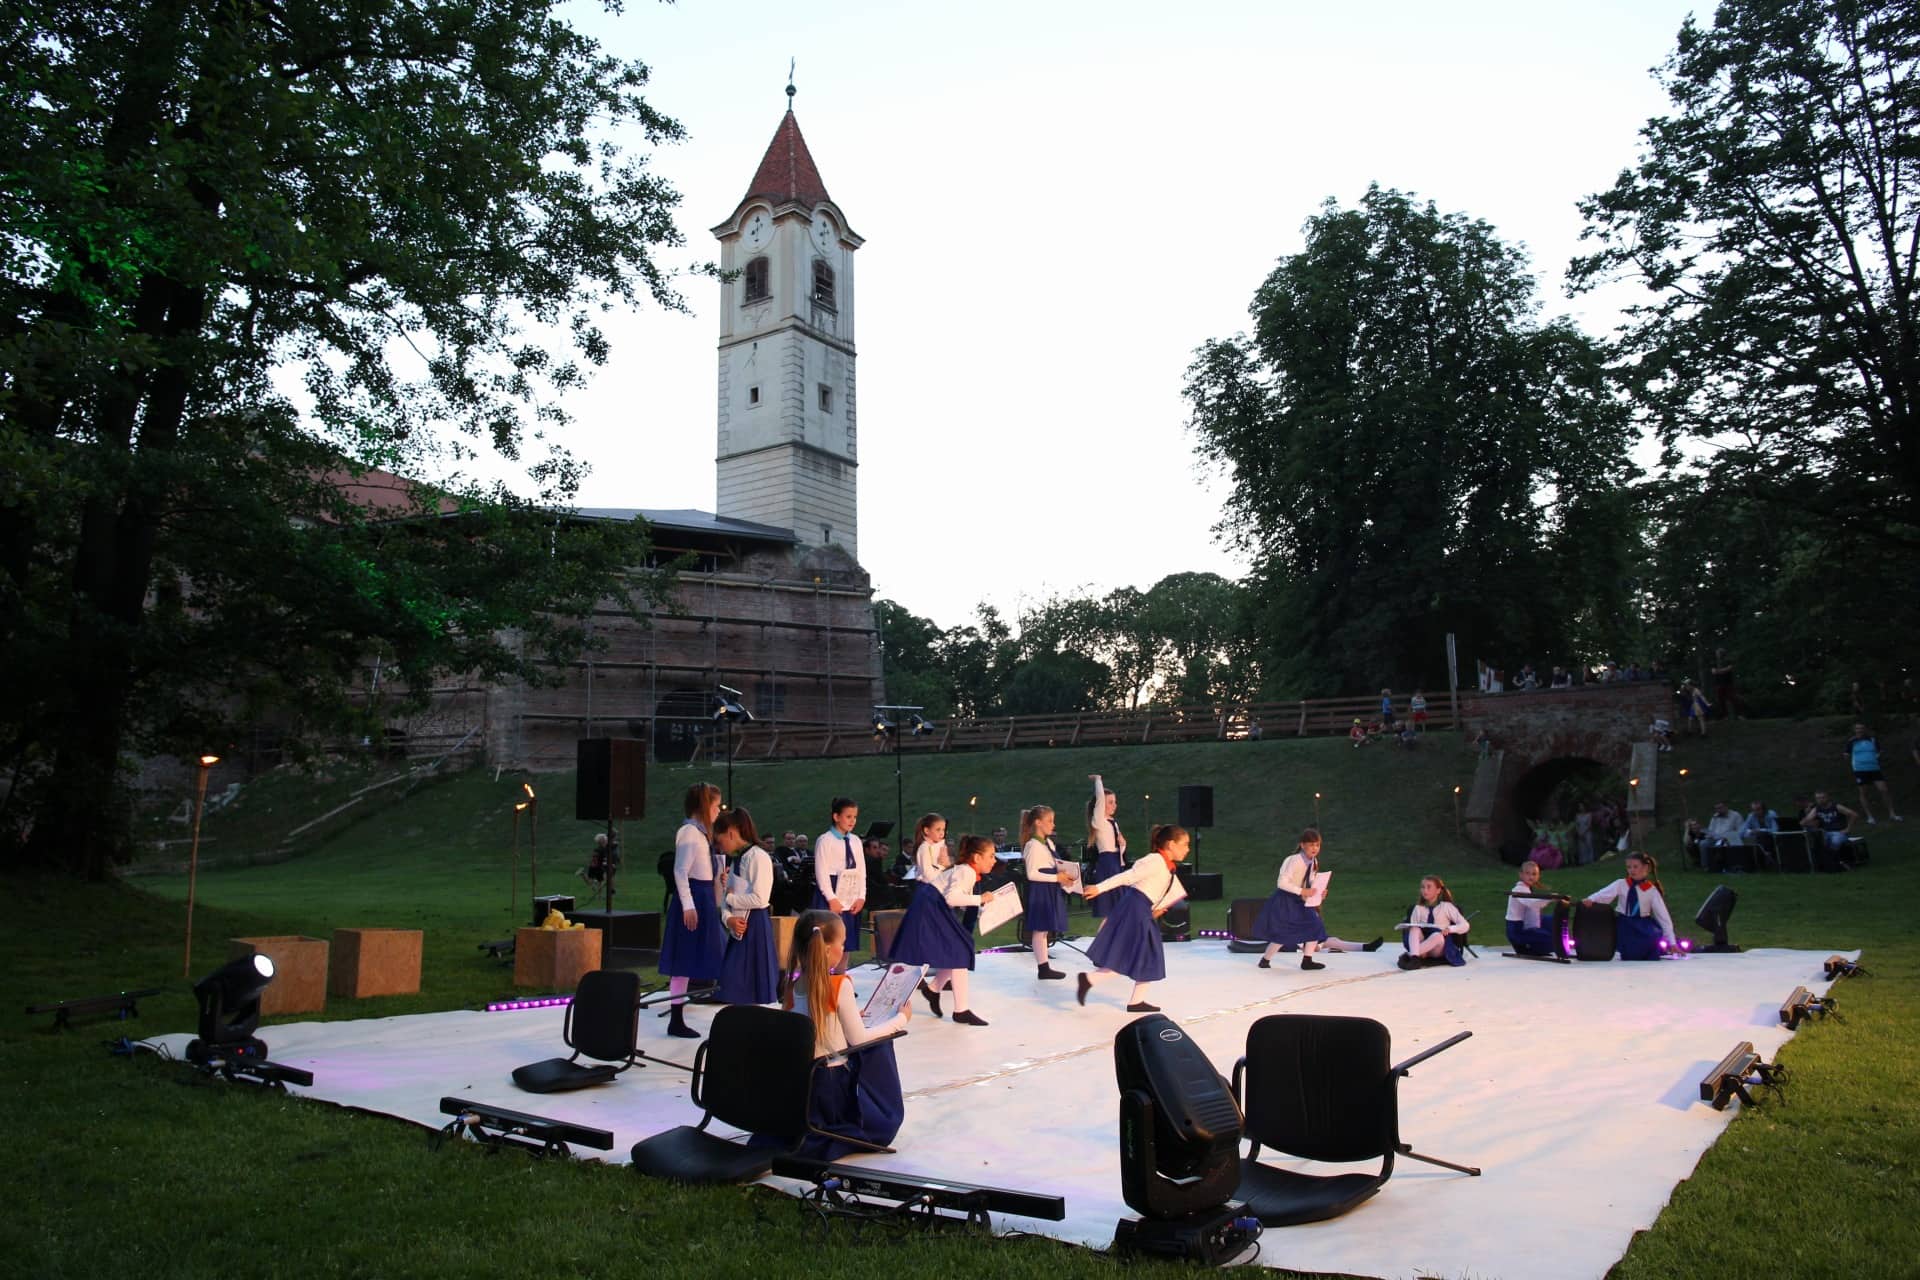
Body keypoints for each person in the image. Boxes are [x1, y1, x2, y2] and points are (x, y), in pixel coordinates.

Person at [772, 909, 909, 1159]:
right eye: (842, 943)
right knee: (881, 1043)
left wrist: (855, 1014)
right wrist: (900, 1020)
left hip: (805, 1084)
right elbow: (859, 1040)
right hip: (831, 1085)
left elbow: (821, 1020)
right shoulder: (839, 984)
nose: (844, 949)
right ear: (827, 949)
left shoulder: (793, 986)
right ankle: (881, 1116)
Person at [1078, 824, 1189, 1012]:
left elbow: (1154, 888)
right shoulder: (1154, 861)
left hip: (1143, 909)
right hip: (1135, 909)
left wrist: (1155, 908)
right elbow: (1128, 877)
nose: (1187, 849)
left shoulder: (1166, 866)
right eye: (1184, 844)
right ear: (1171, 844)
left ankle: (1135, 1000)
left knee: (1148, 954)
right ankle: (1090, 979)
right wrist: (1099, 888)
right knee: (1128, 954)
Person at [893, 834, 999, 1027]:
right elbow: (952, 898)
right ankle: (959, 1009)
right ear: (977, 858)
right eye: (991, 855)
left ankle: (934, 990)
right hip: (931, 908)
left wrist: (980, 906)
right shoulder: (966, 872)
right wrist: (980, 899)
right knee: (959, 949)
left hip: (931, 905)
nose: (995, 860)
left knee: (956, 950)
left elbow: (958, 898)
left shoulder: (966, 871)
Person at [1253, 827, 1382, 970]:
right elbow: (1282, 883)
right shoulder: (1294, 860)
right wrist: (1302, 891)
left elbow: (1311, 882)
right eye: (1311, 845)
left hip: (1301, 900)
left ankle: (1307, 960)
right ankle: (1265, 959)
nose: (1315, 848)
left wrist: (1319, 892)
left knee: (1315, 925)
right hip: (1287, 899)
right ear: (1303, 845)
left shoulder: (1313, 862)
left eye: (1317, 845)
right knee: (1284, 932)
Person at [659, 781, 726, 1038]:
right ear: (703, 806)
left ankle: (685, 1008)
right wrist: (688, 904)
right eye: (715, 806)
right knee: (684, 958)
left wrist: (718, 877)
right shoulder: (689, 833)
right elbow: (680, 870)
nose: (718, 811)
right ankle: (676, 1018)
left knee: (696, 956)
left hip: (703, 896)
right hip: (694, 899)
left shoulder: (700, 834)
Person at [715, 807, 778, 1005]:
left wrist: (732, 899)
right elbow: (726, 897)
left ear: (731, 833)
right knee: (733, 983)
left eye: (720, 839)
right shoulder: (736, 860)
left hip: (755, 926)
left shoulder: (758, 857)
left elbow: (760, 898)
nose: (719, 846)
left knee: (753, 985)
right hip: (739, 928)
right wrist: (729, 919)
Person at [1583, 853, 1678, 961]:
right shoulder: (1621, 884)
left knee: (1651, 944)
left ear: (1645, 867)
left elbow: (1663, 916)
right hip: (1626, 925)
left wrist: (1672, 942)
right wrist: (1591, 899)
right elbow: (1604, 893)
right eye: (1629, 867)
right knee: (1630, 955)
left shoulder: (1651, 890)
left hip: (1643, 925)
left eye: (1635, 866)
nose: (1632, 870)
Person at [1020, 805, 1077, 981]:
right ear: (1038, 822)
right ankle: (1043, 967)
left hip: (1049, 887)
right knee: (1040, 928)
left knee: (1044, 929)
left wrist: (1065, 875)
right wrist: (1056, 878)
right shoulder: (1032, 845)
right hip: (1040, 890)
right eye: (1050, 821)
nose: (1053, 825)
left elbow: (1056, 863)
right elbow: (1032, 874)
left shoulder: (1048, 843)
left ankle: (1044, 966)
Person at [812, 797, 867, 950]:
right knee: (828, 939)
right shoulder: (825, 840)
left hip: (850, 889)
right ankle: (823, 973)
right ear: (836, 817)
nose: (852, 821)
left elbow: (861, 870)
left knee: (846, 940)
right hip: (832, 890)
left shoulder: (855, 841)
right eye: (848, 817)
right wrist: (831, 898)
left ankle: (841, 972)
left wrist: (861, 896)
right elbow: (821, 872)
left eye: (855, 817)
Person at [1399, 875, 1471, 969]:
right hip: (1424, 947)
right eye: (1423, 887)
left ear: (1438, 890)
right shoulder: (1418, 908)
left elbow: (1465, 925)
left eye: (1429, 887)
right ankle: (1415, 958)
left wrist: (1450, 929)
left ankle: (1410, 955)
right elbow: (1414, 935)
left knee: (1437, 936)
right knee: (1414, 928)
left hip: (1438, 947)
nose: (1425, 890)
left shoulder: (1447, 907)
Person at [1084, 774, 1127, 922]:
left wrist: (1122, 844)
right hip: (1107, 864)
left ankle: (1113, 941)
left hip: (1116, 863)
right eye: (1110, 802)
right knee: (1110, 910)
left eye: (1115, 802)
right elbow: (1100, 799)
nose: (1114, 805)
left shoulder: (1113, 822)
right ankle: (1104, 942)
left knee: (1117, 910)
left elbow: (1119, 849)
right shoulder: (1099, 821)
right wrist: (1098, 780)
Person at [1849, 722, 1903, 823]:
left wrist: (1876, 757)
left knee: (1884, 790)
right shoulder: (1852, 741)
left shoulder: (1872, 739)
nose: (1859, 730)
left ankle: (1892, 814)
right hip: (1860, 770)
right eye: (1857, 729)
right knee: (1864, 793)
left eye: (1861, 728)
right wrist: (1847, 756)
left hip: (1874, 769)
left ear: (1865, 729)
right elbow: (1846, 753)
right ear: (1854, 730)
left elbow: (1880, 751)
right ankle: (1870, 817)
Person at [1505, 860, 1558, 956]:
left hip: (1524, 926)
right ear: (1521, 875)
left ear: (1538, 876)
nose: (1531, 877)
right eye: (1527, 873)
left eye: (1534, 874)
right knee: (1553, 941)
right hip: (1517, 931)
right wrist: (1549, 898)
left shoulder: (1527, 889)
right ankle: (1528, 947)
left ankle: (1537, 946)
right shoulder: (1519, 889)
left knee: (1552, 921)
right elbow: (1532, 903)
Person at [1799, 790, 1859, 871]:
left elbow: (1854, 815)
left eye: (1822, 798)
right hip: (1825, 832)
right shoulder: (1817, 809)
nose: (1820, 800)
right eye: (1818, 798)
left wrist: (1848, 828)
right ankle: (1833, 863)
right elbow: (1805, 821)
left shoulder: (1836, 806)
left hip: (1839, 832)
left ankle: (1836, 862)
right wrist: (1807, 814)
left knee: (1835, 842)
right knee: (1817, 842)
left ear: (1828, 797)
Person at [1701, 800, 1747, 871]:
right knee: (1703, 843)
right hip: (1715, 838)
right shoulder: (1715, 817)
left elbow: (1741, 830)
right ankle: (1706, 866)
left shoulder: (1735, 815)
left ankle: (1724, 866)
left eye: (1720, 808)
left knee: (1721, 844)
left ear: (1726, 807)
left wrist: (1729, 837)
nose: (1718, 810)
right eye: (1716, 808)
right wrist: (1709, 835)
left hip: (1729, 838)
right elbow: (1711, 829)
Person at [910, 812, 950, 882]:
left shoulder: (937, 846)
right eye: (938, 829)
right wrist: (942, 866)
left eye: (943, 829)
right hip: (927, 889)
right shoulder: (924, 848)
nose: (942, 833)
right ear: (927, 830)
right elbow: (928, 876)